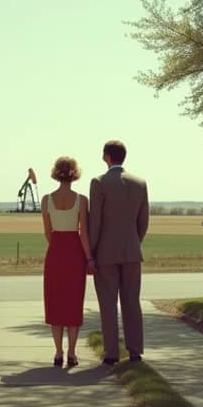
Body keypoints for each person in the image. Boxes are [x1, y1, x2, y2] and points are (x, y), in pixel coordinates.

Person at [88, 140, 149, 365]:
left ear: (107, 156)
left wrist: (91, 252)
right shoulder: (140, 183)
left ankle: (112, 352)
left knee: (108, 304)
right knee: (132, 302)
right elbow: (143, 221)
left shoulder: (99, 183)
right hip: (132, 250)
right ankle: (135, 350)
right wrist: (134, 242)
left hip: (105, 253)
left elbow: (95, 221)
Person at [41, 156, 94, 368]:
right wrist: (89, 257)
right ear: (75, 174)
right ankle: (72, 352)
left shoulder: (46, 200)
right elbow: (84, 234)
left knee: (55, 303)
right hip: (75, 253)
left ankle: (58, 352)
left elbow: (47, 232)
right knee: (73, 304)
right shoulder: (82, 200)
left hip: (55, 252)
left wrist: (57, 246)